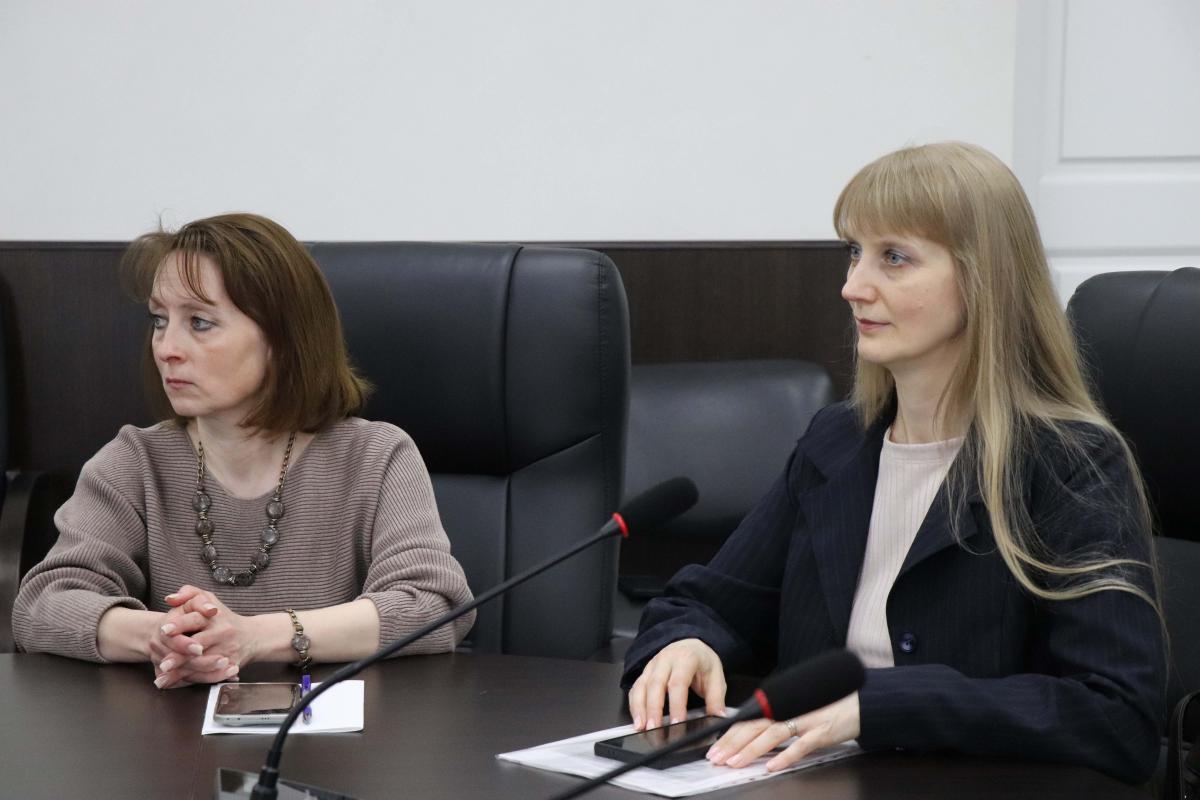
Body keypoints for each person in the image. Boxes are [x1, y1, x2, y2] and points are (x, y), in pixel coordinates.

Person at [622, 142, 1164, 784]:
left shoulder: (1070, 463)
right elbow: (707, 602)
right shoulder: (836, 444)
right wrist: (685, 642)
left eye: (894, 258)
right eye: (855, 251)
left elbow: (1116, 715)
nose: (852, 287)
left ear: (983, 280)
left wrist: (878, 706)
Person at [13, 213, 475, 688]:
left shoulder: (375, 456)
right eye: (159, 320)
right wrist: (162, 636)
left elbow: (434, 604)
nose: (166, 347)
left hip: (336, 729)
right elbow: (42, 603)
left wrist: (255, 636)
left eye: (199, 322)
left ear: (282, 339)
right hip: (172, 731)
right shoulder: (135, 461)